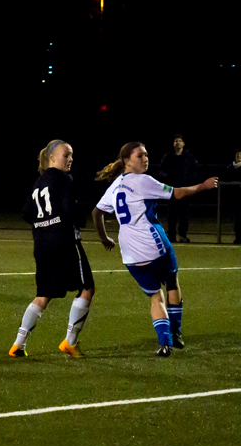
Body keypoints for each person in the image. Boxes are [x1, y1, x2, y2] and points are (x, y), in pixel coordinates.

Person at [92, 142, 218, 357]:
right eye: (140, 155)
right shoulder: (142, 181)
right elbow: (177, 193)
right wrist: (202, 186)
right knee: (171, 281)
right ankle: (176, 333)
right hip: (154, 247)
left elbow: (96, 213)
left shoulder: (114, 186)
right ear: (127, 161)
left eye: (147, 155)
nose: (145, 159)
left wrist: (104, 238)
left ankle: (165, 343)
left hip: (130, 255)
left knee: (154, 296)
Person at [9, 140, 95, 359]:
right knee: (86, 288)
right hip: (64, 242)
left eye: (71, 155)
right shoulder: (64, 179)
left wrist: (44, 222)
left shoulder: (39, 182)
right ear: (52, 158)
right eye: (66, 155)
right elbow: (69, 208)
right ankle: (71, 341)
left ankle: (18, 343)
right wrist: (79, 220)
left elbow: (27, 212)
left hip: (42, 245)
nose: (70, 159)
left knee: (43, 294)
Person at [159, 134, 199, 242]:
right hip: (171, 189)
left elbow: (196, 171)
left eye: (180, 141)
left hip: (184, 189)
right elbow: (160, 170)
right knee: (171, 213)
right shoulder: (168, 157)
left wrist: (189, 179)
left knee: (184, 214)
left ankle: (183, 235)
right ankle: (171, 235)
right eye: (176, 141)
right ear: (173, 144)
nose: (178, 143)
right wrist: (167, 177)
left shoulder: (189, 157)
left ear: (183, 143)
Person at [224, 148, 241, 244]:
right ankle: (238, 237)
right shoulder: (230, 167)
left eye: (240, 155)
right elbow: (226, 177)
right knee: (237, 219)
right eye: (237, 155)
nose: (238, 157)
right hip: (234, 197)